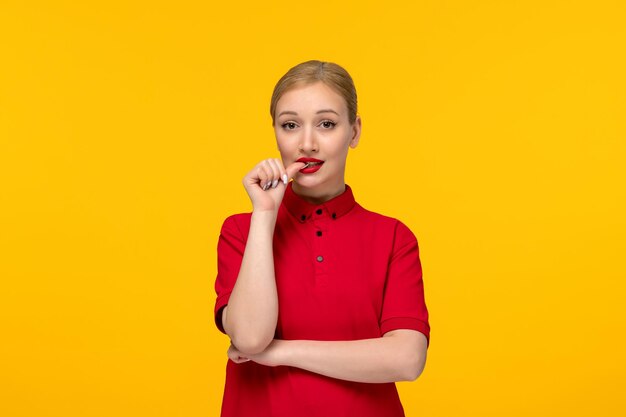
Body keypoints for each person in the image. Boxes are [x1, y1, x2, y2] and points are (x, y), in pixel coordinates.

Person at [214, 60, 430, 417]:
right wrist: (264, 215)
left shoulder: (393, 237)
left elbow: (407, 359)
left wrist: (279, 353)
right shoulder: (242, 231)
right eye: (290, 125)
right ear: (276, 133)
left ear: (354, 132)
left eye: (326, 124)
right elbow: (250, 338)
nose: (307, 143)